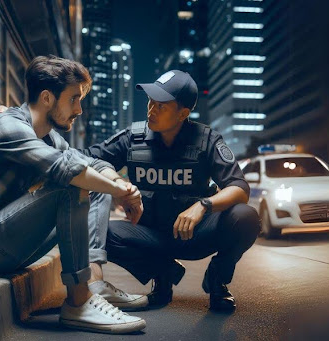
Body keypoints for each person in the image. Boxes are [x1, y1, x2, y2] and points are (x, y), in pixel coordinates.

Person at [0, 56, 147, 334]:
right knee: (72, 184)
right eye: (73, 99)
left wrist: (122, 186)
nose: (79, 109)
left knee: (94, 184)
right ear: (46, 97)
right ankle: (78, 301)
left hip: (5, 245)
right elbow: (64, 168)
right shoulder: (6, 126)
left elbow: (90, 163)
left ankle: (91, 285)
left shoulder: (49, 137)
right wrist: (118, 191)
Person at [81, 70, 261, 312]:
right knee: (97, 232)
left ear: (183, 114)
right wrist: (118, 187)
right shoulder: (133, 138)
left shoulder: (206, 139)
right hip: (150, 236)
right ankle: (163, 273)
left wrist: (203, 206)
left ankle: (218, 279)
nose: (151, 110)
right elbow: (88, 159)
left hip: (195, 234)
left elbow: (239, 188)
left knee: (245, 217)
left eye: (161, 106)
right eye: (150, 102)